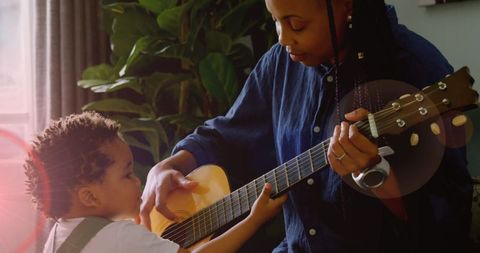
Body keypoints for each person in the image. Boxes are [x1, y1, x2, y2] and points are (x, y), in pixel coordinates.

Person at [140, 0, 473, 252]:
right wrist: (173, 164)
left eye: (296, 24)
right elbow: (231, 134)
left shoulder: (412, 65)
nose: (284, 39)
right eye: (275, 22)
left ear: (345, 7)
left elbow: (448, 224)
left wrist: (377, 176)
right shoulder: (280, 62)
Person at [24, 111, 287, 253]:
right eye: (127, 175)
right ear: (89, 197)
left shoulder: (60, 235)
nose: (139, 181)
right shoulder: (120, 237)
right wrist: (253, 221)